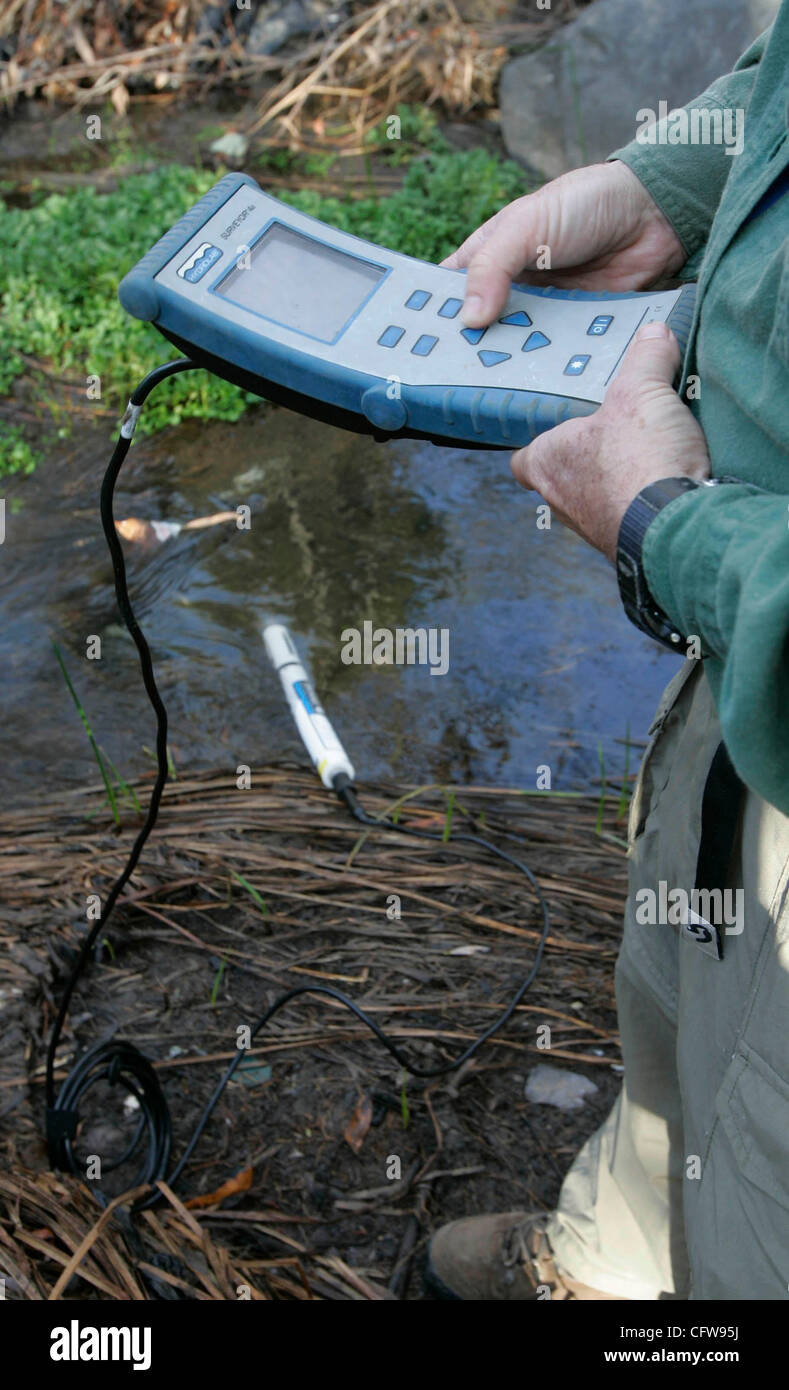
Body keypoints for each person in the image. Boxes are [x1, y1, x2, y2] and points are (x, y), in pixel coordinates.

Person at [426, 8, 789, 1301]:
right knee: (671, 998)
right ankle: (614, 1256)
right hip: (738, 658)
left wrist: (666, 530)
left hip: (746, 591)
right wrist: (663, 188)